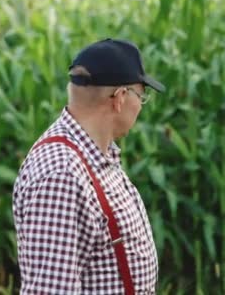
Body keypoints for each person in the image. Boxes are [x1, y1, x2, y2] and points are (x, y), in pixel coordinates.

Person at [12, 38, 165, 294]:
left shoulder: (95, 157)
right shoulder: (61, 174)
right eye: (141, 95)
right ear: (119, 98)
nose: (141, 106)